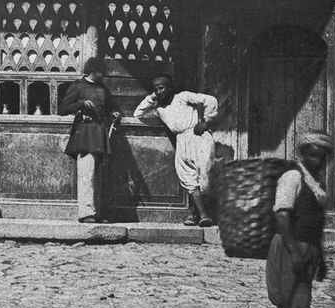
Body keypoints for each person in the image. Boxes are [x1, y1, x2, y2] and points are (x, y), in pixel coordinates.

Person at [262, 131, 333, 308]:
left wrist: (320, 259)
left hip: (307, 248)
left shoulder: (314, 182)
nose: (318, 161)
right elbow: (282, 216)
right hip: (291, 247)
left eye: (322, 157)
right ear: (303, 153)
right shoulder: (292, 178)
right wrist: (295, 253)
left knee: (290, 302)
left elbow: (315, 224)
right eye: (313, 155)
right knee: (296, 307)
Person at [133, 72, 219, 226]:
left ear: (170, 88)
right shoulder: (160, 109)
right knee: (188, 178)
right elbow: (138, 113)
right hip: (181, 142)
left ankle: (197, 214)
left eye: (162, 88)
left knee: (205, 176)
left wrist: (206, 121)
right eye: (156, 89)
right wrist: (152, 98)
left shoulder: (183, 97)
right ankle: (203, 216)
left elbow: (210, 100)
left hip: (197, 136)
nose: (159, 92)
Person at [58, 57, 120, 222]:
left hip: (99, 134)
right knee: (86, 174)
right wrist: (81, 104)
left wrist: (113, 112)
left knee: (97, 176)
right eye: (101, 72)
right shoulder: (77, 86)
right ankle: (85, 213)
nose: (103, 75)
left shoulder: (102, 89)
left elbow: (111, 106)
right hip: (84, 134)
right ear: (93, 70)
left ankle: (96, 212)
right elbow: (62, 109)